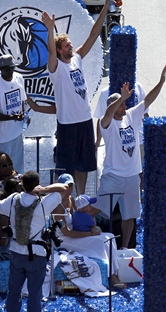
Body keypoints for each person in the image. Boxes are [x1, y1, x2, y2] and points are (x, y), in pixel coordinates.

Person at [42, 2, 111, 195]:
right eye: (67, 45)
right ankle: (63, 203)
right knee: (66, 168)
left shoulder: (76, 59)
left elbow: (93, 35)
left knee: (84, 165)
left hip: (85, 121)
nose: (71, 45)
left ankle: (80, 198)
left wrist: (105, 7)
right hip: (67, 124)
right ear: (60, 50)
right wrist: (50, 29)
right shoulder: (56, 68)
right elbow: (50, 52)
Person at [96, 67, 166, 250]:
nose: (124, 107)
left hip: (133, 176)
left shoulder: (131, 116)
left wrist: (161, 82)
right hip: (112, 176)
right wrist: (121, 97)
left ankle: (125, 249)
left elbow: (148, 99)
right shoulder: (107, 124)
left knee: (130, 217)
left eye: (124, 104)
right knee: (99, 213)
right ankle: (97, 245)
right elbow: (108, 113)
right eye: (121, 105)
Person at [0, 171, 67, 312]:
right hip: (36, 254)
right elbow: (64, 188)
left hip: (16, 252)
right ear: (37, 184)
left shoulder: (13, 199)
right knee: (35, 294)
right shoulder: (43, 203)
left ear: (23, 184)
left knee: (14, 292)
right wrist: (43, 190)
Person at [52, 174, 125, 289]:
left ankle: (115, 273)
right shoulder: (57, 205)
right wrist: (90, 234)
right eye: (66, 186)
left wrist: (91, 227)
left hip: (74, 234)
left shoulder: (71, 199)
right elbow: (66, 233)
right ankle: (111, 276)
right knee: (102, 242)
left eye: (71, 185)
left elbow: (79, 217)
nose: (69, 189)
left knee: (109, 237)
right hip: (63, 239)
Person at [0, 54, 26, 174]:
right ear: (0, 69)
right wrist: (12, 117)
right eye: (7, 69)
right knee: (0, 173)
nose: (10, 71)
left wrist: (24, 115)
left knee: (18, 170)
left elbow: (23, 100)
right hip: (1, 138)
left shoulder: (19, 78)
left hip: (16, 133)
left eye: (12, 68)